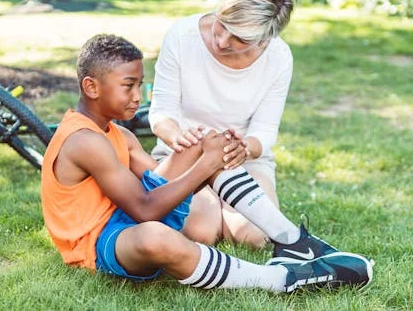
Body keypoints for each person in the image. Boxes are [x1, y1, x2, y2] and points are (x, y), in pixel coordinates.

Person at [41, 34, 372, 293]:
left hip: (126, 217)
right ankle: (281, 279)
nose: (138, 96)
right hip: (99, 245)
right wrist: (202, 167)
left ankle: (294, 242)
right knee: (155, 237)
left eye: (140, 84)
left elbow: (158, 184)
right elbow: (145, 208)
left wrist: (201, 152)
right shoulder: (84, 141)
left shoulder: (117, 135)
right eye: (128, 85)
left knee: (208, 142)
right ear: (91, 87)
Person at [149, 0, 310, 249]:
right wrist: (178, 138)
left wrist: (244, 149)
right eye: (222, 24)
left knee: (256, 237)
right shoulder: (181, 35)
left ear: (265, 40)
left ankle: (228, 206)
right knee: (201, 233)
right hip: (185, 157)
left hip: (243, 160)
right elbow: (161, 112)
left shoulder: (278, 57)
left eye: (240, 39)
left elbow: (265, 131)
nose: (222, 41)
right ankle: (215, 206)